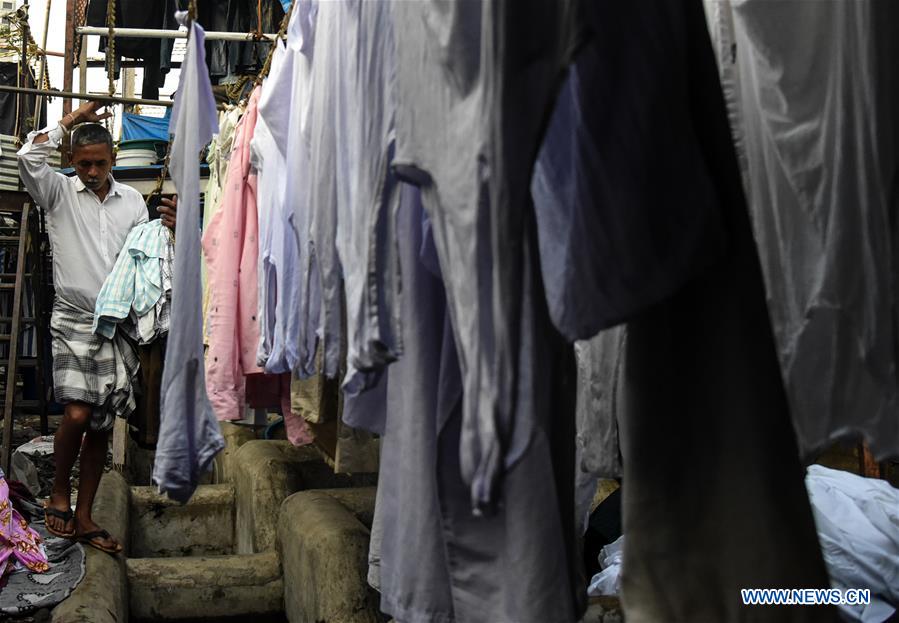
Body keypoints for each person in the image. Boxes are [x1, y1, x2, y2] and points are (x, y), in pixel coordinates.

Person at [17, 100, 177, 554]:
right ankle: (59, 494)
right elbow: (28, 157)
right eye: (84, 163)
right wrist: (70, 121)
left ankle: (84, 514)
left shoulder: (131, 202)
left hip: (118, 324)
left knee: (103, 423)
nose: (91, 171)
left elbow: (146, 259)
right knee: (78, 412)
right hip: (72, 318)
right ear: (71, 161)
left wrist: (172, 226)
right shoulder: (57, 193)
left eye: (100, 163)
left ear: (112, 160)